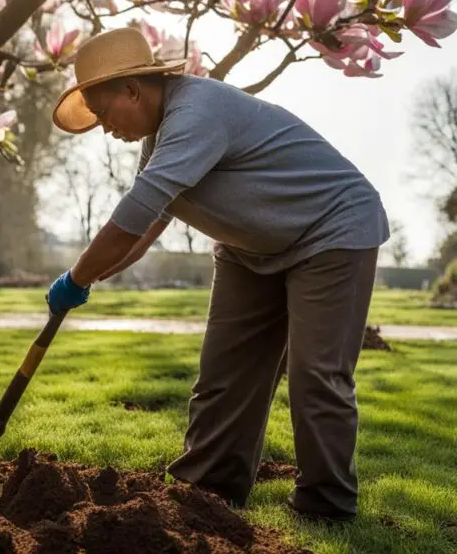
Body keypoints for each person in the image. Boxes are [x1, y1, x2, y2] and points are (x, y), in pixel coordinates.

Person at [45, 27, 389, 522]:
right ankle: (207, 493)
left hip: (331, 230)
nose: (103, 127)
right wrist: (86, 283)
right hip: (251, 250)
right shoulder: (159, 137)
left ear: (132, 90)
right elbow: (145, 232)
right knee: (224, 375)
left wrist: (75, 275)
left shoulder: (196, 111)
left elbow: (134, 215)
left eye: (102, 113)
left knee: (317, 376)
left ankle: (326, 506)